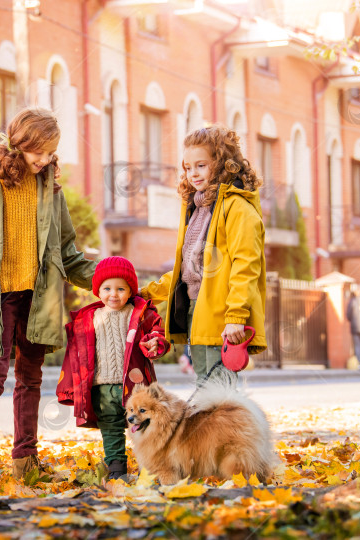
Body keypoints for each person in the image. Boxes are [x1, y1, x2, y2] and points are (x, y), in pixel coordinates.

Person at [0, 107, 97, 490]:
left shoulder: (51, 192)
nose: (45, 159)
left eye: (51, 152)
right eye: (39, 151)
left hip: (37, 297)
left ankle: (26, 462)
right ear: (19, 144)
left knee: (30, 379)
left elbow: (67, 251)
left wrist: (107, 279)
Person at [140, 125, 267, 386]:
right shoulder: (196, 208)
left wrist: (236, 317)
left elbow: (246, 266)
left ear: (221, 164)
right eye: (188, 167)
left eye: (201, 165)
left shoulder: (238, 208)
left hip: (222, 314)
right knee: (206, 387)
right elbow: (188, 269)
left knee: (220, 394)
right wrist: (147, 292)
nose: (193, 174)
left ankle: (236, 429)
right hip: (195, 310)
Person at [56, 256, 169, 480]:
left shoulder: (140, 313)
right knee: (111, 430)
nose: (113, 294)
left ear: (130, 291)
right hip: (102, 387)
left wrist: (155, 343)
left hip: (136, 388)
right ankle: (117, 471)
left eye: (121, 288)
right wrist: (71, 386)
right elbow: (76, 356)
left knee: (147, 429)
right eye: (107, 288)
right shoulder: (88, 318)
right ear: (98, 291)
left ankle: (151, 469)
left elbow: (157, 334)